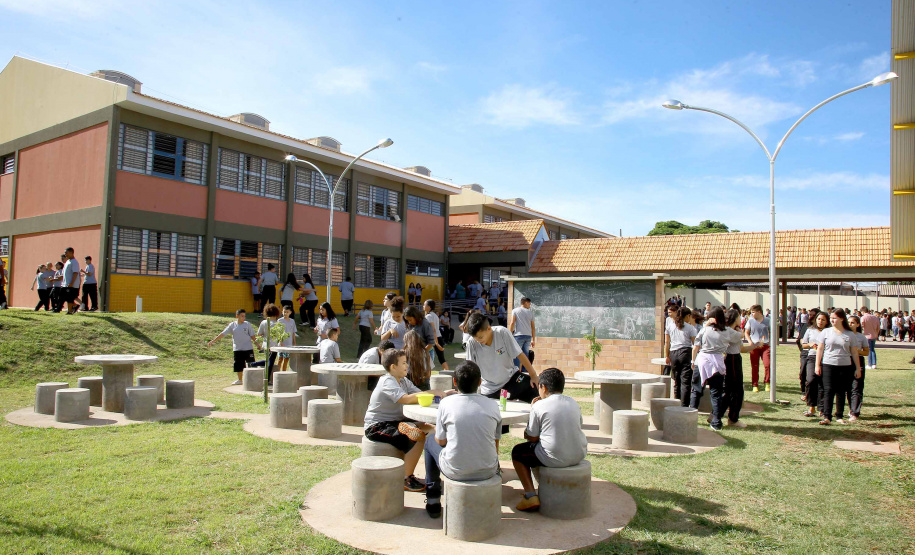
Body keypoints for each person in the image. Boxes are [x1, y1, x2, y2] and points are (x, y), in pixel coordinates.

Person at [423, 360, 501, 518]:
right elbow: (495, 442)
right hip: (489, 469)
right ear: (480, 381)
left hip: (455, 470)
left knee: (430, 441)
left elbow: (441, 442)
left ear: (454, 382)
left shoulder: (445, 404)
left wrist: (435, 431)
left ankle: (433, 499)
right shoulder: (493, 405)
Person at [364, 349, 446, 493]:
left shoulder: (402, 380)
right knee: (418, 436)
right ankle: (406, 478)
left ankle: (410, 430)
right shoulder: (387, 380)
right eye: (403, 363)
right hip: (377, 426)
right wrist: (432, 392)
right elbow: (404, 399)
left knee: (431, 428)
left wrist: (438, 395)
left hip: (395, 421)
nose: (407, 365)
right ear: (392, 367)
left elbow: (418, 395)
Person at [511, 367, 588, 512]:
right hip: (579, 453)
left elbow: (532, 437)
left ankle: (530, 495)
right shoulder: (573, 402)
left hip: (555, 457)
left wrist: (532, 411)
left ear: (543, 387)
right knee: (538, 448)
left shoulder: (539, 405)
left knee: (518, 452)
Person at [464, 311, 540, 403]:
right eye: (476, 339)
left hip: (512, 380)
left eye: (480, 337)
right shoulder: (471, 343)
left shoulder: (502, 332)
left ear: (488, 328)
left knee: (535, 388)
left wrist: (533, 375)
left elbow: (520, 354)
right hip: (491, 390)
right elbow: (470, 369)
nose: (479, 341)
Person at [690, 306, 739, 431]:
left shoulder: (705, 330)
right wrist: (738, 328)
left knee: (696, 390)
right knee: (716, 393)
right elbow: (739, 336)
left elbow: (696, 346)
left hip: (702, 361)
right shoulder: (728, 331)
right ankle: (716, 421)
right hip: (717, 362)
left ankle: (690, 417)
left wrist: (693, 361)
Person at [815, 309, 861, 425]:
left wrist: (858, 368)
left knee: (841, 391)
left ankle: (839, 415)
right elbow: (820, 349)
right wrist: (817, 365)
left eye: (834, 318)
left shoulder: (850, 334)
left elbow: (854, 352)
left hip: (845, 366)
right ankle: (827, 416)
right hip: (828, 364)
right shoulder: (826, 332)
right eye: (831, 318)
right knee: (828, 390)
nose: (832, 320)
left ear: (841, 319)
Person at [723, 308, 759, 427]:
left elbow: (742, 349)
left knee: (732, 390)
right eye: (739, 317)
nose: (741, 319)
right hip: (732, 359)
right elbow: (742, 335)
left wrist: (755, 346)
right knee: (735, 391)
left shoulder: (734, 331)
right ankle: (732, 419)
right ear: (734, 318)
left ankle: (720, 415)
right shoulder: (730, 331)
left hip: (735, 358)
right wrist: (741, 330)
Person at [208, 308, 257, 385]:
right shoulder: (232, 325)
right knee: (238, 365)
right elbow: (223, 333)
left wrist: (257, 344)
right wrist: (213, 340)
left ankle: (251, 380)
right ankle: (240, 380)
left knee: (251, 364)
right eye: (242, 316)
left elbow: (253, 336)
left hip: (248, 348)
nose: (244, 318)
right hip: (238, 349)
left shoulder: (247, 324)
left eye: (244, 316)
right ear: (237, 316)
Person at [665, 305, 697, 407]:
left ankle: (676, 403)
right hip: (685, 353)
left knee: (676, 381)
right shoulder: (690, 328)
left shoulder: (670, 326)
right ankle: (684, 406)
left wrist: (667, 356)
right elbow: (695, 343)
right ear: (687, 316)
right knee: (685, 382)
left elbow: (667, 343)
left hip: (673, 353)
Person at [802, 310, 827, 418]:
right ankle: (811, 406)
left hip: (826, 358)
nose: (820, 321)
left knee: (822, 383)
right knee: (811, 380)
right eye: (819, 319)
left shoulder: (829, 331)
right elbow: (803, 345)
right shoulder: (810, 330)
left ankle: (822, 409)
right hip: (812, 356)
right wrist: (810, 344)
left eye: (823, 320)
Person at [847, 315, 870, 422]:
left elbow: (866, 352)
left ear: (858, 324)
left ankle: (855, 412)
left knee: (856, 387)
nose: (850, 324)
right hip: (846, 361)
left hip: (858, 361)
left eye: (852, 322)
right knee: (848, 388)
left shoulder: (861, 337)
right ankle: (850, 408)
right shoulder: (844, 335)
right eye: (849, 322)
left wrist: (856, 351)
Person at [744, 304, 771, 393]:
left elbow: (772, 332)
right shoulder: (750, 321)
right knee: (755, 366)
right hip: (754, 346)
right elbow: (746, 333)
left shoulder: (767, 320)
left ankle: (767, 382)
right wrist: (750, 342)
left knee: (767, 365)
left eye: (753, 312)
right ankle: (755, 384)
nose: (751, 314)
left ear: (759, 312)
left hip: (765, 346)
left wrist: (768, 341)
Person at [256, 303, 283, 383]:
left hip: (265, 345)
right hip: (274, 345)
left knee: (268, 360)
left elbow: (259, 334)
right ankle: (266, 378)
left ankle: (254, 365)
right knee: (270, 361)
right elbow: (280, 336)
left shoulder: (264, 322)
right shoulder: (278, 323)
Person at [509, 297, 536, 367]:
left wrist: (509, 334)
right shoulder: (530, 313)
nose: (530, 305)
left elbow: (512, 323)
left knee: (517, 354)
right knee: (525, 354)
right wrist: (533, 340)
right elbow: (533, 327)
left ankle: (517, 371)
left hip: (518, 335)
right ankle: (524, 371)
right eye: (529, 304)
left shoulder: (515, 311)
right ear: (526, 303)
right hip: (528, 336)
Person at [424, 300, 449, 372]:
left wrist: (436, 343)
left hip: (433, 339)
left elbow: (433, 329)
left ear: (429, 307)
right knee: (442, 358)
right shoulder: (435, 315)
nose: (423, 306)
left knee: (427, 358)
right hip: (438, 337)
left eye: (424, 305)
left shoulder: (428, 316)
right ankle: (447, 373)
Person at [277, 305, 298, 372]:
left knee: (286, 359)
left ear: (290, 312)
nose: (285, 313)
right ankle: (277, 371)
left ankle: (284, 372)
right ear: (282, 312)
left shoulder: (292, 321)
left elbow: (293, 332)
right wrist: (280, 341)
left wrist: (294, 343)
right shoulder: (280, 320)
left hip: (289, 344)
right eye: (284, 312)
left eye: (287, 312)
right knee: (280, 359)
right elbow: (278, 332)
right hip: (282, 344)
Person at [61, 247, 81, 315]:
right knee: (66, 297)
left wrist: (72, 283)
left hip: (72, 284)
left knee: (70, 298)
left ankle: (70, 311)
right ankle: (74, 306)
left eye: (66, 253)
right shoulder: (68, 261)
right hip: (66, 284)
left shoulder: (74, 262)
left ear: (71, 253)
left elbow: (75, 273)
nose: (65, 254)